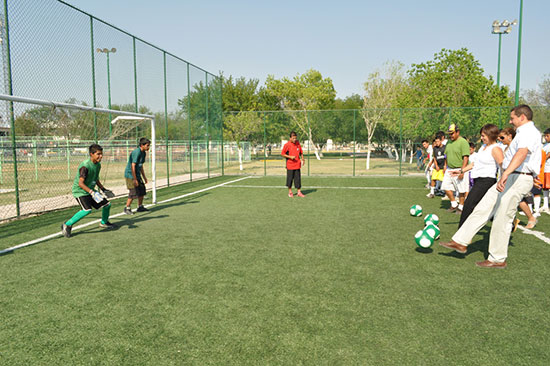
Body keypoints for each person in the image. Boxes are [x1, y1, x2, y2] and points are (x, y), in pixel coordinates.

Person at [440, 105, 542, 268]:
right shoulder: (522, 133)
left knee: (503, 217)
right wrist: (507, 174)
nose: (510, 121)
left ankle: (497, 258)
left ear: (522, 117)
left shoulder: (529, 132)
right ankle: (460, 241)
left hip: (516, 178)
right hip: (510, 176)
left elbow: (522, 154)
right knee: (482, 207)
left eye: (513, 118)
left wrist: (507, 173)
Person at [451, 124, 503, 228]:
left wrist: (503, 180)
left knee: (469, 204)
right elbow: (475, 163)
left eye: (484, 135)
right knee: (486, 208)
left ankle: (461, 233)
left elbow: (502, 165)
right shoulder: (483, 147)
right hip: (478, 180)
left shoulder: (495, 149)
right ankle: (509, 223)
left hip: (487, 181)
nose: (481, 138)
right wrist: (461, 171)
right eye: (481, 135)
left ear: (491, 135)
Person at [61, 144, 115, 238]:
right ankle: (67, 224)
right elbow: (80, 184)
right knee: (87, 210)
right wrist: (92, 193)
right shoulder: (85, 166)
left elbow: (96, 178)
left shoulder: (98, 165)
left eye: (101, 154)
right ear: (91, 154)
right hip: (80, 191)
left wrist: (103, 189)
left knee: (107, 205)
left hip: (90, 190)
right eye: (98, 154)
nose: (101, 156)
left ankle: (104, 222)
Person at [441, 124, 470, 213]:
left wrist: (462, 171)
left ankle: (461, 207)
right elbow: (446, 155)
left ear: (458, 132)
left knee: (461, 189)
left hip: (459, 169)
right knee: (445, 186)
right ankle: (454, 204)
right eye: (449, 134)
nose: (450, 136)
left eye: (452, 133)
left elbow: (465, 157)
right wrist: (445, 165)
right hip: (449, 169)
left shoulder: (463, 142)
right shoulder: (449, 142)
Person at [124, 137, 151, 215]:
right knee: (133, 192)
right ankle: (127, 208)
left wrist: (144, 177)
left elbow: (140, 166)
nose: (148, 147)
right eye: (147, 145)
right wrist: (135, 179)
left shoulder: (143, 153)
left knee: (142, 190)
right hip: (130, 175)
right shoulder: (137, 152)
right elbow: (133, 165)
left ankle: (140, 206)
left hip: (137, 175)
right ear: (142, 145)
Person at [281, 131, 305, 197]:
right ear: (290, 138)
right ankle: (290, 192)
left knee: (298, 179)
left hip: (297, 165)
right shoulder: (287, 145)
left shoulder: (297, 143)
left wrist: (303, 159)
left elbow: (301, 152)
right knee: (290, 179)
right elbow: (282, 154)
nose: (295, 140)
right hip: (290, 165)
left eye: (295, 138)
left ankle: (299, 192)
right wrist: (290, 157)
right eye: (293, 138)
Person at [541, 128, 550, 213]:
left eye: (547, 135)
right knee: (545, 187)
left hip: (549, 169)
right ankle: (545, 205)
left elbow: (548, 155)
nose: (546, 137)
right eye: (545, 136)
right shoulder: (545, 145)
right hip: (545, 168)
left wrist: (541, 160)